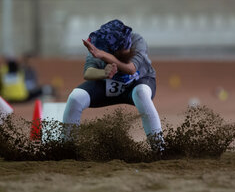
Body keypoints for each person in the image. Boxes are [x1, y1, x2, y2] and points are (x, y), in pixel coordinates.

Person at [63, 19, 164, 151]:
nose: (127, 49)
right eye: (123, 48)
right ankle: (66, 149)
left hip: (138, 83)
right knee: (75, 98)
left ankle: (159, 148)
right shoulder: (98, 45)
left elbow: (131, 69)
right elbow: (87, 73)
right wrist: (103, 72)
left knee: (141, 93)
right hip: (106, 85)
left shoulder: (137, 40)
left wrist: (104, 56)